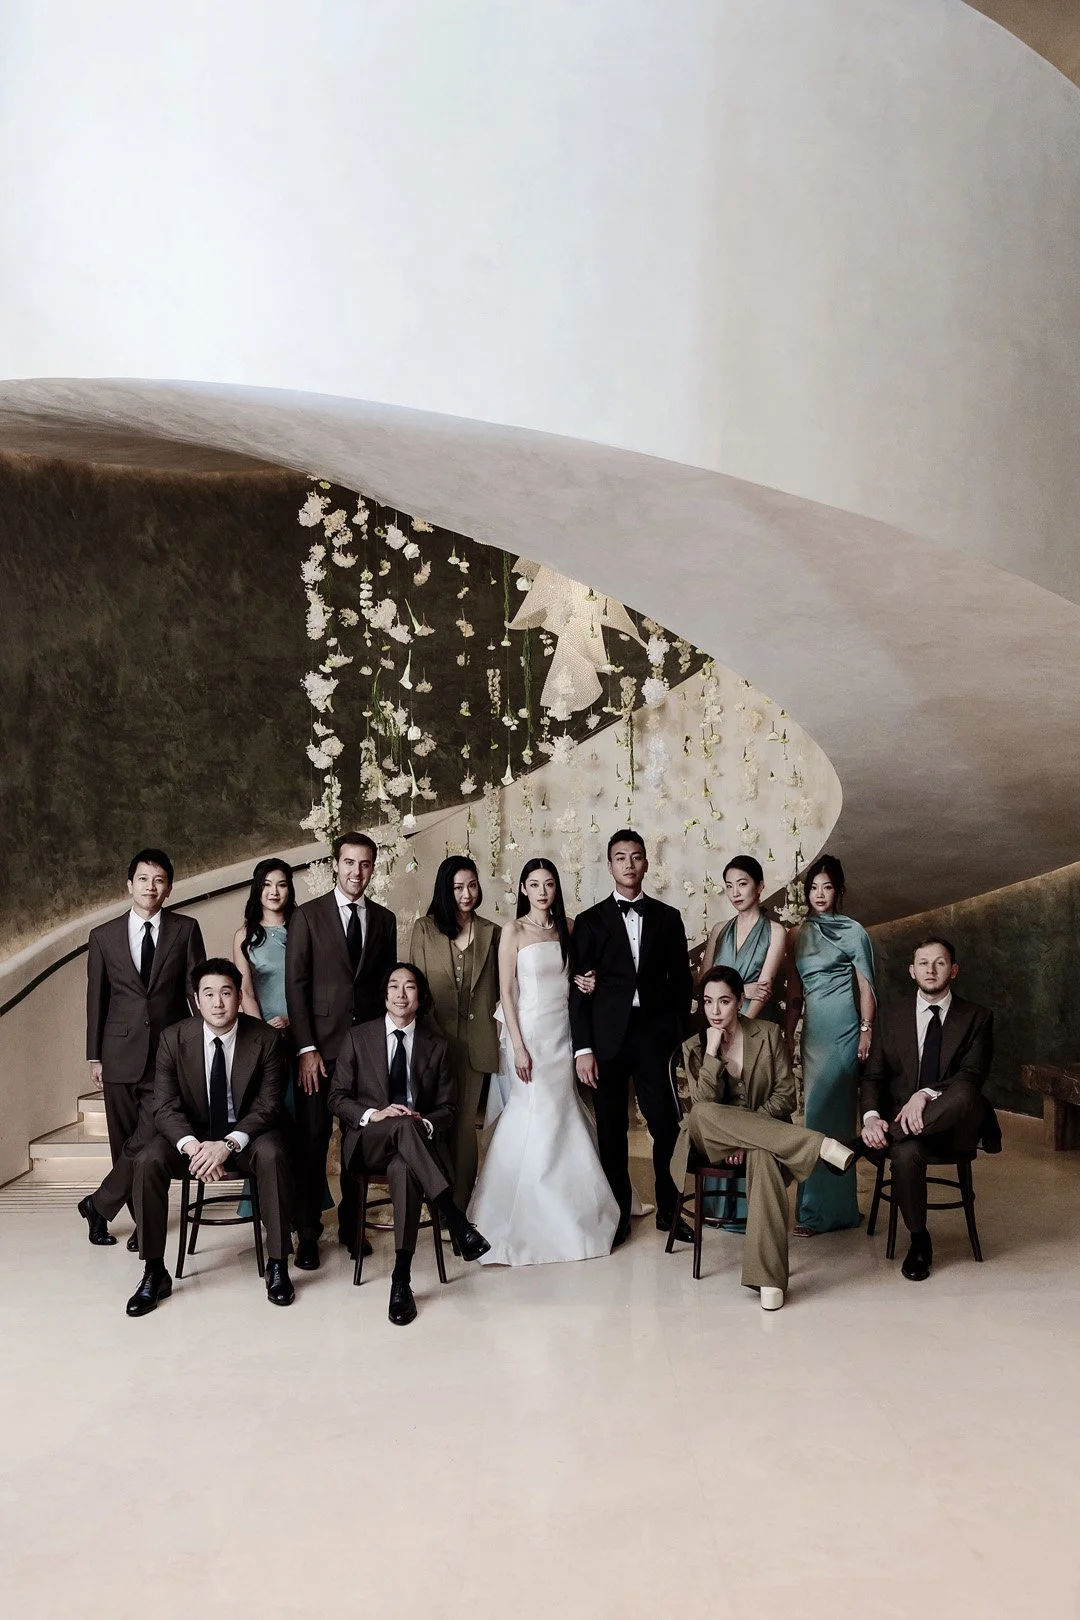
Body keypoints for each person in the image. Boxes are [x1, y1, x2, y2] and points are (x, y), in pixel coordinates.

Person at [671, 967, 855, 1309]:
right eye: (708, 1002)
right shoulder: (695, 1047)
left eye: (724, 1001)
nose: (715, 1011)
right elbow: (702, 1105)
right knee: (700, 1114)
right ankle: (818, 1144)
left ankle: (769, 1280)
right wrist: (712, 1053)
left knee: (764, 1156)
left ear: (740, 1001)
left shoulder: (768, 1034)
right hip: (712, 1140)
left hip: (765, 1139)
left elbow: (786, 1096)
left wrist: (747, 1138)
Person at [468, 859, 619, 1265]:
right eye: (533, 884)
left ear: (556, 888)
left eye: (549, 884)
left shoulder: (568, 929)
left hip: (563, 1034)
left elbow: (577, 980)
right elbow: (506, 991)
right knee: (532, 1110)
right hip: (530, 1034)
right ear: (522, 888)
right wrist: (517, 1045)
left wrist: (585, 981)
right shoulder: (512, 931)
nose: (541, 891)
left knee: (564, 1110)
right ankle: (520, 1215)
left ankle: (575, 1209)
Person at [125, 959, 295, 1316]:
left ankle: (278, 1263)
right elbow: (165, 1106)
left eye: (226, 993)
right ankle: (154, 1270)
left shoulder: (265, 1038)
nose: (218, 1002)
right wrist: (192, 1148)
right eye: (209, 994)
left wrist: (227, 1144)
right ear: (196, 1001)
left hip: (246, 1137)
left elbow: (268, 1106)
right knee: (146, 1159)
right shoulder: (174, 1038)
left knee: (273, 1155)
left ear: (238, 997)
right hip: (195, 1140)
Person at [329, 963, 490, 1325]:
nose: (401, 994)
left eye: (410, 987)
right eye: (394, 986)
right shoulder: (359, 1037)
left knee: (405, 1166)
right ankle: (454, 1217)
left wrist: (425, 1123)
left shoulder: (438, 1046)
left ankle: (400, 1279)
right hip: (368, 1141)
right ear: (384, 994)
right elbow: (336, 1097)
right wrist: (376, 1114)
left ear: (421, 997)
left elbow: (448, 1108)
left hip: (412, 1147)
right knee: (401, 1125)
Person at [570, 830, 694, 1247]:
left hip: (654, 1038)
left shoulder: (668, 917)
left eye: (636, 857)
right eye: (620, 858)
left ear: (646, 863)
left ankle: (671, 1212)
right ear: (609, 866)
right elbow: (578, 988)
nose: (628, 864)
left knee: (665, 1124)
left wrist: (675, 1037)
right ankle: (617, 1215)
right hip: (606, 1040)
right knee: (611, 1129)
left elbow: (682, 984)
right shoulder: (589, 921)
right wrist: (583, 1048)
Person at [79, 848, 205, 1251]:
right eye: (144, 879)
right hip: (117, 1055)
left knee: (149, 1140)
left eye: (160, 880)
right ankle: (140, 1223)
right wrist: (95, 1056)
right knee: (123, 1143)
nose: (152, 887)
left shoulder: (185, 929)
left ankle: (98, 1204)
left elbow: (194, 992)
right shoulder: (103, 936)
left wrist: (202, 1045)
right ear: (129, 884)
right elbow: (96, 998)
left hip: (169, 1056)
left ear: (169, 888)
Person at [284, 831, 397, 1269]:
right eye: (349, 863)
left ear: (373, 867)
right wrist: (306, 1048)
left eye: (365, 864)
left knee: (359, 1141)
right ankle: (308, 1233)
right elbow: (296, 986)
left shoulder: (384, 921)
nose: (357, 872)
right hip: (319, 1051)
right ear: (335, 864)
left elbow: (388, 987)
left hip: (365, 1052)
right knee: (312, 1141)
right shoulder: (307, 916)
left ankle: (352, 1227)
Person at [861, 937, 995, 1281]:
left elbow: (972, 1075)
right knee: (905, 1155)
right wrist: (872, 1117)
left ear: (954, 970)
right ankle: (919, 1240)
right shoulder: (891, 1016)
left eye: (939, 963)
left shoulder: (977, 1016)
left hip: (955, 1123)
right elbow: (874, 1077)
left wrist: (924, 1094)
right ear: (912, 971)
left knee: (965, 1092)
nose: (931, 970)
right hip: (909, 1130)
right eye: (923, 963)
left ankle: (878, 1140)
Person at [233, 857, 331, 1224]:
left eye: (282, 884)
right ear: (257, 889)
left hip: (304, 1037)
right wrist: (263, 1035)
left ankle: (307, 1215)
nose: (274, 892)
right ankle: (273, 1212)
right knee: (272, 1124)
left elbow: (316, 981)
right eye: (267, 884)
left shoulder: (302, 926)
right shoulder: (244, 935)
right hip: (263, 1043)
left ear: (291, 889)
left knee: (307, 1129)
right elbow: (244, 991)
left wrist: (297, 1020)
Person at [785, 854, 875, 1234]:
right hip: (814, 1035)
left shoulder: (855, 931)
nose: (819, 894)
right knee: (814, 1115)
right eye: (813, 888)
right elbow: (793, 992)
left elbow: (867, 986)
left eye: (827, 887)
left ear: (839, 891)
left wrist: (867, 1029)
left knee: (834, 1118)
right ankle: (823, 1210)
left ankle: (828, 1212)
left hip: (845, 1031)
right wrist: (787, 1036)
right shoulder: (796, 933)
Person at [409, 856, 500, 1207]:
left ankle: (459, 1207)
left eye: (472, 885)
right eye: (458, 887)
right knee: (433, 1122)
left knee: (463, 1127)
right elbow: (414, 985)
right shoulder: (425, 929)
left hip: (477, 1045)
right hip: (433, 1041)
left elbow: (506, 987)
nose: (466, 894)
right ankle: (434, 1200)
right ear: (446, 890)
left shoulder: (494, 933)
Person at [700, 856, 787, 1020]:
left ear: (760, 886)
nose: (735, 893)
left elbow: (763, 991)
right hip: (717, 1019)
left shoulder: (775, 931)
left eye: (742, 884)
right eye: (729, 886)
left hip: (754, 1020)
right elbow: (705, 982)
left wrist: (739, 1029)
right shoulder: (719, 930)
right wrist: (743, 990)